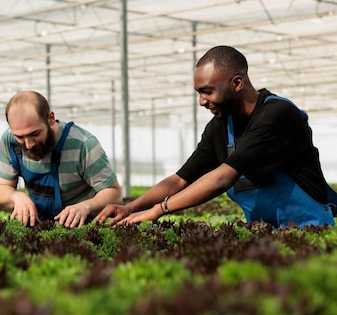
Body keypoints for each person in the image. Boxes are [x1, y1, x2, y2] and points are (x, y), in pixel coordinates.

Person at [95, 45, 337, 228]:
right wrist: (131, 207)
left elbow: (222, 178)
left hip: (311, 229)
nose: (202, 101)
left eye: (208, 91)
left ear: (237, 83)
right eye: (199, 93)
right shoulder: (219, 128)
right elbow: (179, 179)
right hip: (263, 233)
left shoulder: (277, 114)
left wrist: (159, 210)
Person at [0, 90, 123, 228]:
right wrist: (16, 196)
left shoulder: (83, 144)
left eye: (35, 134)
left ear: (50, 118)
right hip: (39, 225)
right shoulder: (9, 141)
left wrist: (85, 207)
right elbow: (2, 187)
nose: (28, 144)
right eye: (20, 137)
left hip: (83, 227)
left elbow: (115, 194)